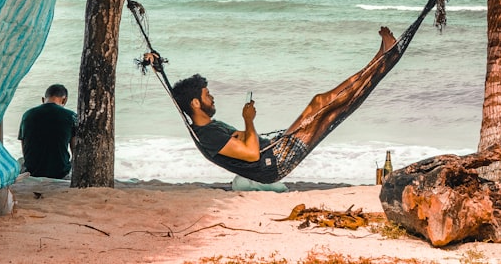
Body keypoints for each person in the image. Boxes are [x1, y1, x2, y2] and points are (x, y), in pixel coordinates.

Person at [171, 25, 399, 183]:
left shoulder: (209, 129)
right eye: (207, 95)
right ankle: (383, 56)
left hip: (276, 150)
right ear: (195, 103)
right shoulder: (207, 135)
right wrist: (249, 121)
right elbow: (251, 154)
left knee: (331, 108)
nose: (212, 98)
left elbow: (241, 144)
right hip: (274, 161)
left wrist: (242, 133)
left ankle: (382, 56)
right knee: (322, 102)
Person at [18, 83, 78, 179]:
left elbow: (24, 145)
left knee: (20, 161)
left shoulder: (27, 115)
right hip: (60, 172)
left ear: (43, 99)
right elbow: (76, 150)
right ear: (64, 100)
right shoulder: (71, 116)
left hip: (33, 171)